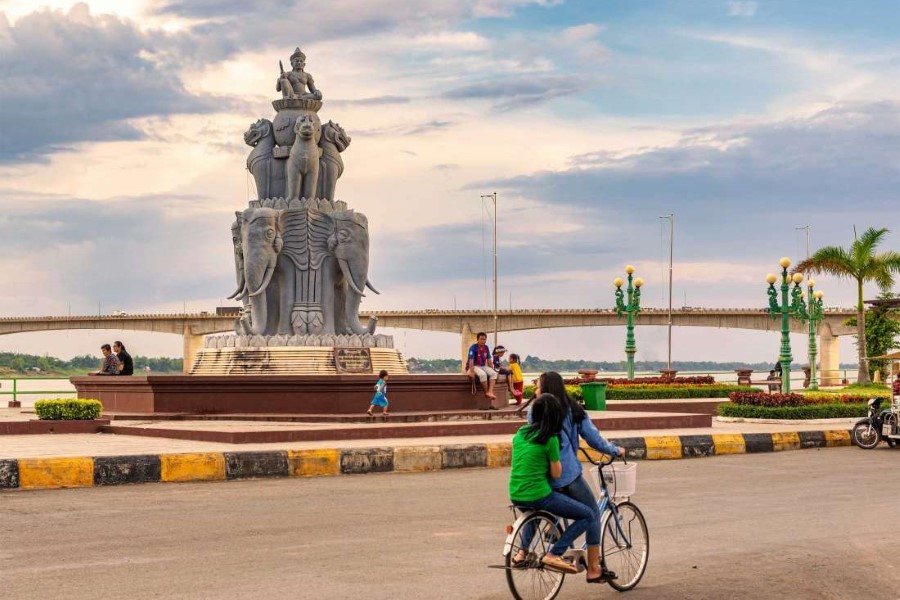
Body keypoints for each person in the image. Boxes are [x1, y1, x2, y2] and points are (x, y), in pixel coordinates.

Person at [530, 371, 625, 583]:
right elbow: (593, 438)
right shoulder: (573, 410)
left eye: (537, 386)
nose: (535, 390)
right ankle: (593, 568)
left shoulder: (533, 411)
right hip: (568, 475)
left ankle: (550, 528)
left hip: (543, 473)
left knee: (553, 503)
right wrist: (614, 450)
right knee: (591, 513)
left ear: (545, 390)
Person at [509, 393, 596, 574]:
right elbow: (556, 474)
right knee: (588, 515)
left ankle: (521, 553)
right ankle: (554, 553)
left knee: (533, 513)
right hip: (539, 495)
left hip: (516, 494)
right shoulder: (550, 439)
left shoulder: (519, 434)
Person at [467, 332, 498, 405]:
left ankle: (490, 392)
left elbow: (489, 360)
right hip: (473, 366)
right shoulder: (473, 348)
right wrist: (471, 372)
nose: (483, 341)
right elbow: (470, 360)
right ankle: (486, 392)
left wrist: (492, 368)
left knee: (494, 373)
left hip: (482, 366)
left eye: (484, 339)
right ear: (477, 339)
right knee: (482, 375)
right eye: (481, 339)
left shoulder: (486, 347)